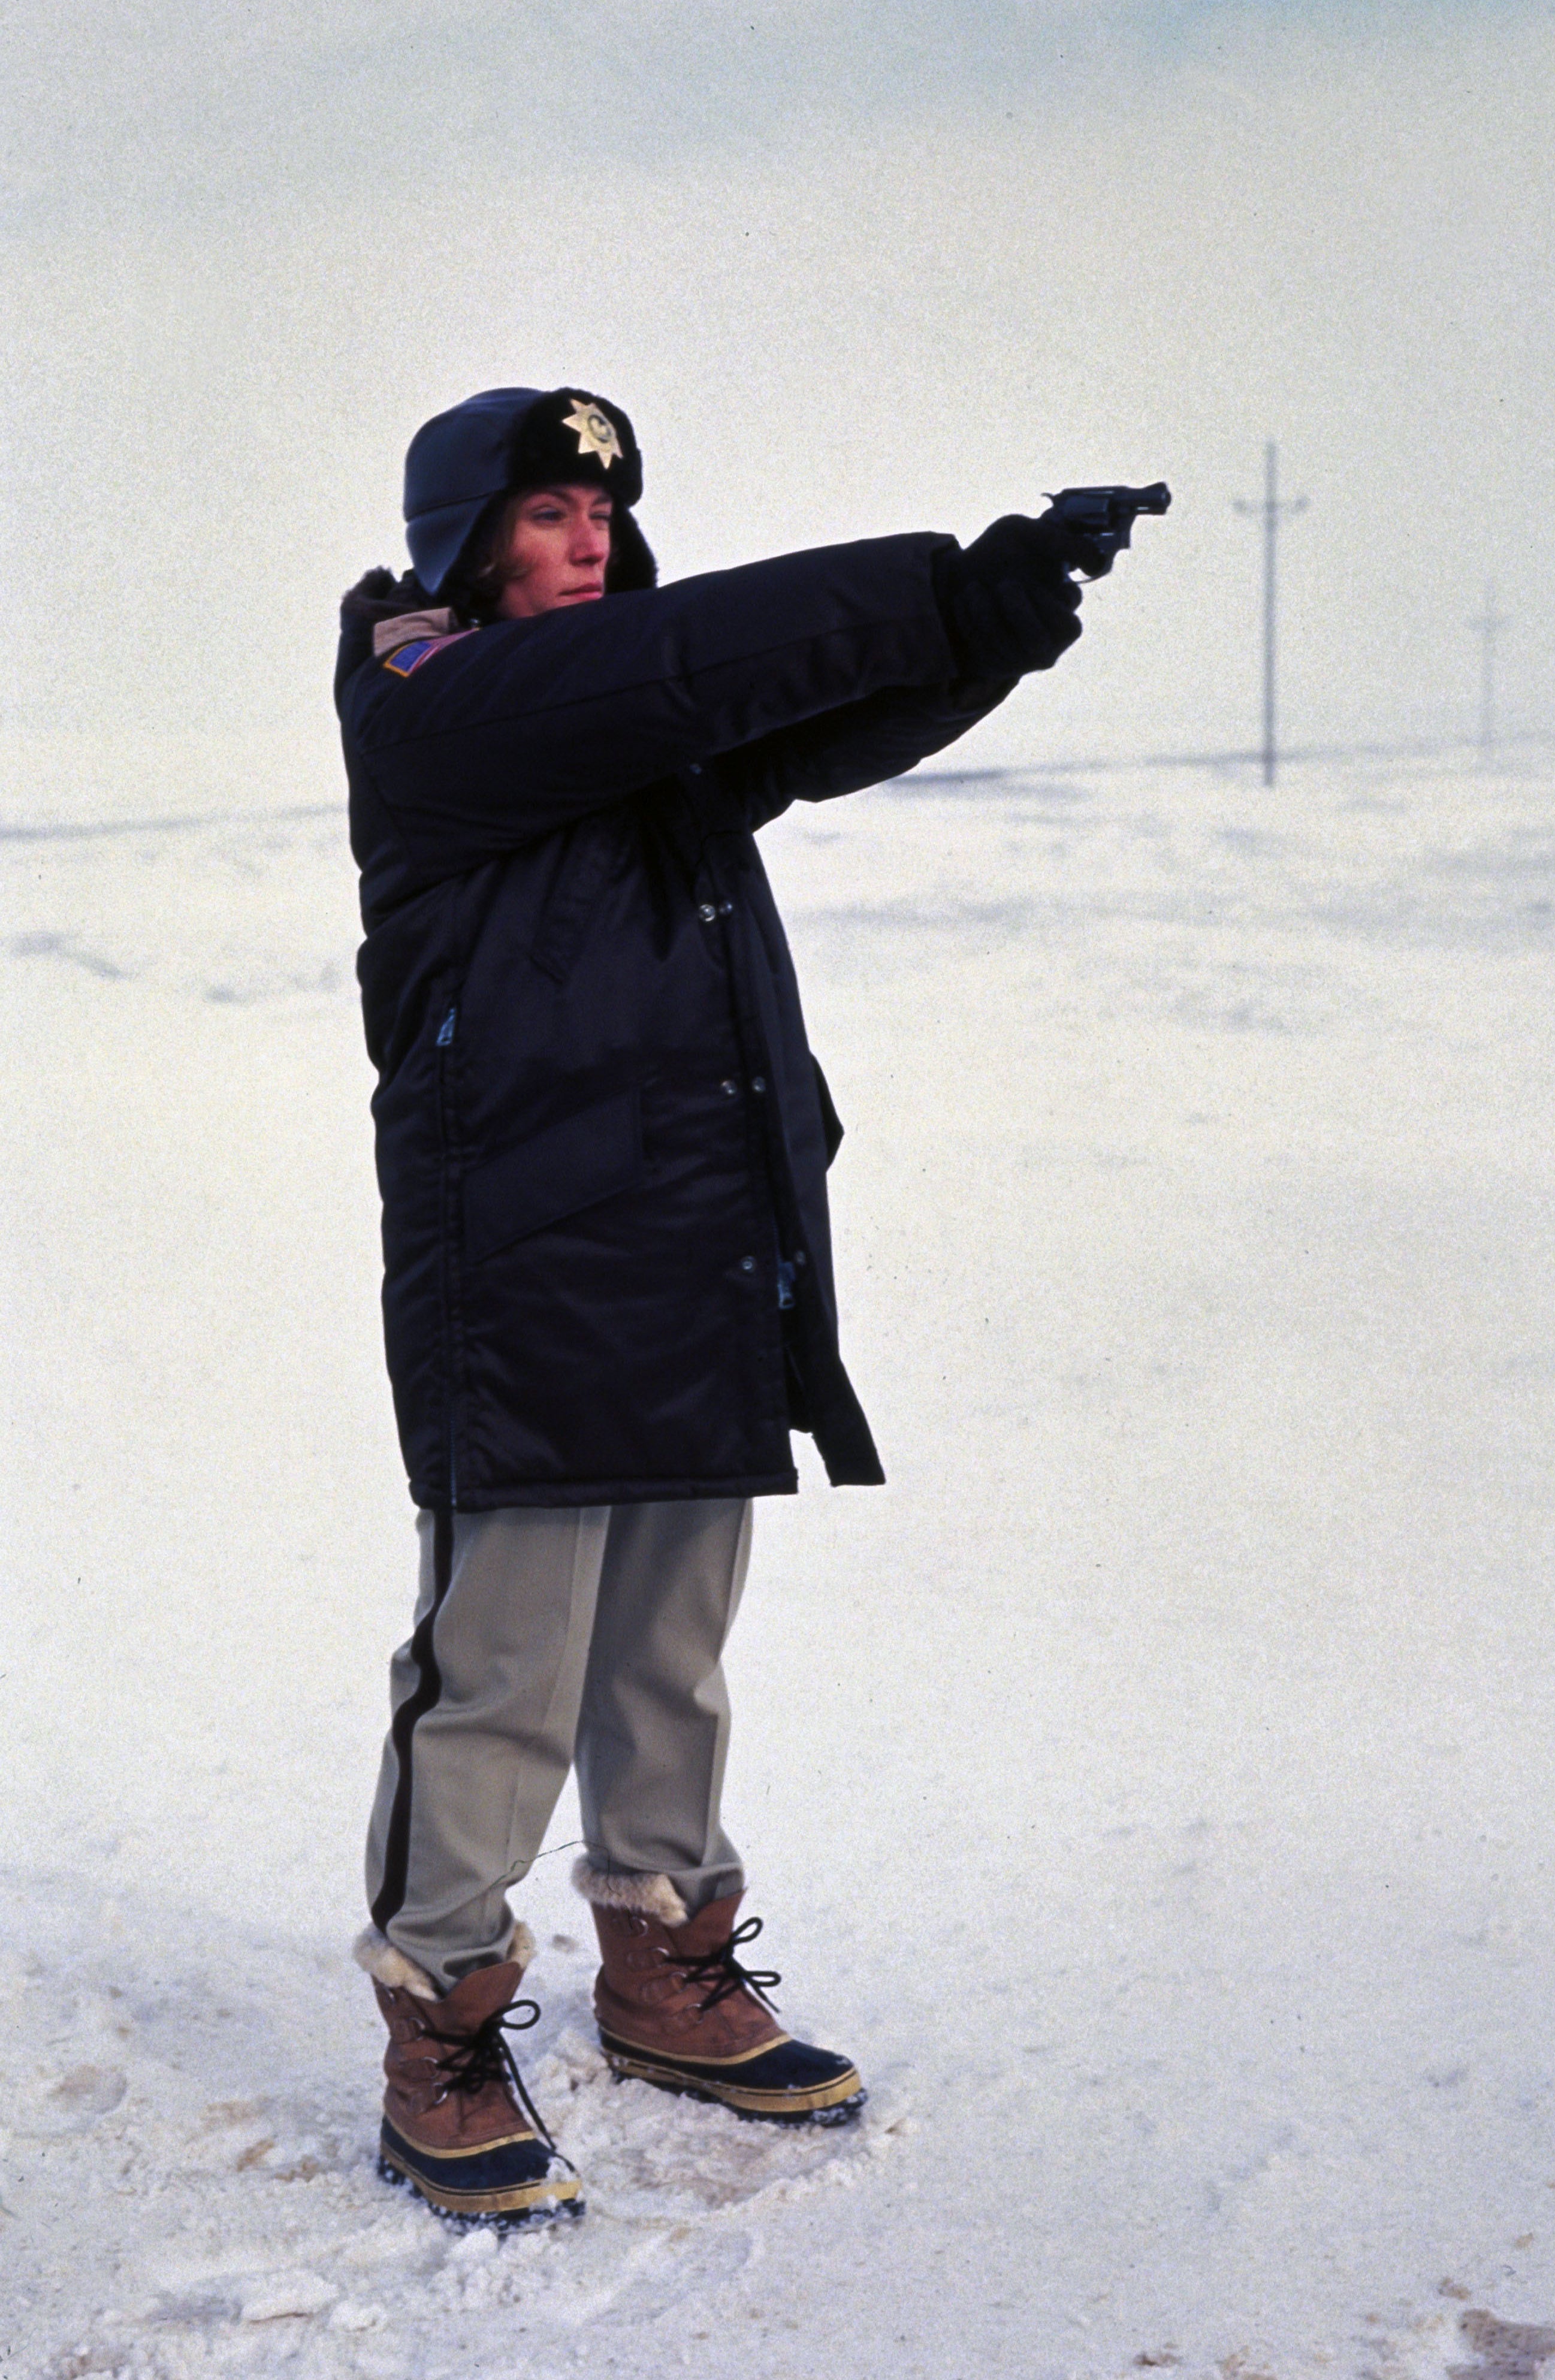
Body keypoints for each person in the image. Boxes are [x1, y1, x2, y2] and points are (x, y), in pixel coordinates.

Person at [336, 384, 1085, 2225]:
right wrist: (929, 583)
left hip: (685, 1241)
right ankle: (439, 2017)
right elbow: (692, 671)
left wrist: (987, 636)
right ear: (461, 540)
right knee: (501, 1672)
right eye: (544, 513)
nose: (590, 537)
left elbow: (801, 721)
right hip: (519, 1263)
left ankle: (666, 1962)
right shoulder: (442, 701)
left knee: (668, 1652)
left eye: (606, 513)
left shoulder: (629, 719)